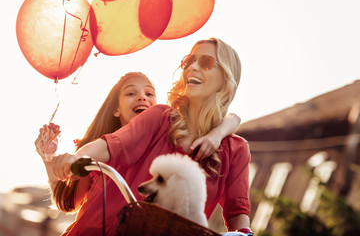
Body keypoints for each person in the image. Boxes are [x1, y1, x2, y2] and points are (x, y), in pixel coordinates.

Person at [50, 38, 252, 235]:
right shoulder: (159, 118)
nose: (193, 68)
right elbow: (111, 145)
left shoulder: (236, 149)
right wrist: (76, 158)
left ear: (226, 77)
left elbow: (238, 212)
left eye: (206, 62)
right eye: (189, 61)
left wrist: (243, 233)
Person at [36, 72, 241, 213]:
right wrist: (50, 160)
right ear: (116, 109)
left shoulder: (165, 140)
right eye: (131, 93)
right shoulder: (97, 150)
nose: (142, 97)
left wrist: (220, 131)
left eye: (149, 93)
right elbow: (68, 203)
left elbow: (232, 118)